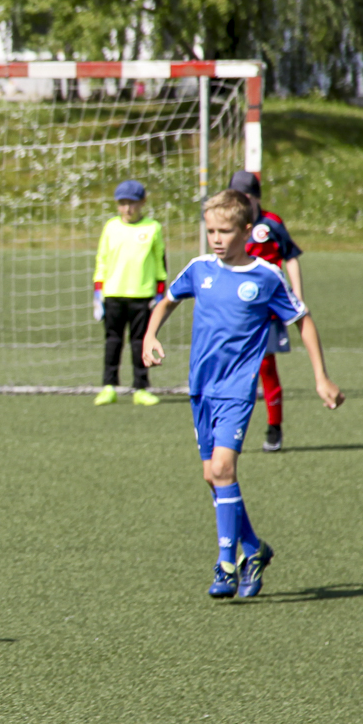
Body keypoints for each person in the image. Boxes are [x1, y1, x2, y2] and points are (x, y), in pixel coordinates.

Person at [141, 190, 343, 599]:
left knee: (223, 470)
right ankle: (256, 549)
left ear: (246, 231)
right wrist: (149, 336)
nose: (216, 238)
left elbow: (302, 320)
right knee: (211, 476)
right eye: (211, 230)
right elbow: (166, 302)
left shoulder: (266, 276)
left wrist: (321, 378)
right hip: (201, 387)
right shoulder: (200, 269)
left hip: (237, 389)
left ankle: (226, 564)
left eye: (225, 231)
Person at [229, 170, 304, 452]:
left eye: (246, 197)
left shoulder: (271, 224)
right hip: (237, 310)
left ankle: (274, 428)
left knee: (266, 367)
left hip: (268, 311)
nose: (243, 203)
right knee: (232, 369)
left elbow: (291, 257)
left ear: (256, 198)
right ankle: (228, 430)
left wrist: (297, 296)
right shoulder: (230, 225)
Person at [91, 179, 166, 407]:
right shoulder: (111, 227)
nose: (127, 208)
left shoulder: (153, 228)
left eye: (132, 203)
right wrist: (98, 293)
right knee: (113, 341)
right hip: (113, 294)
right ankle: (109, 386)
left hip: (142, 295)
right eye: (123, 203)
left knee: (139, 343)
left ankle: (141, 388)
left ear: (142, 202)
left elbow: (160, 262)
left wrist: (160, 293)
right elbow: (101, 260)